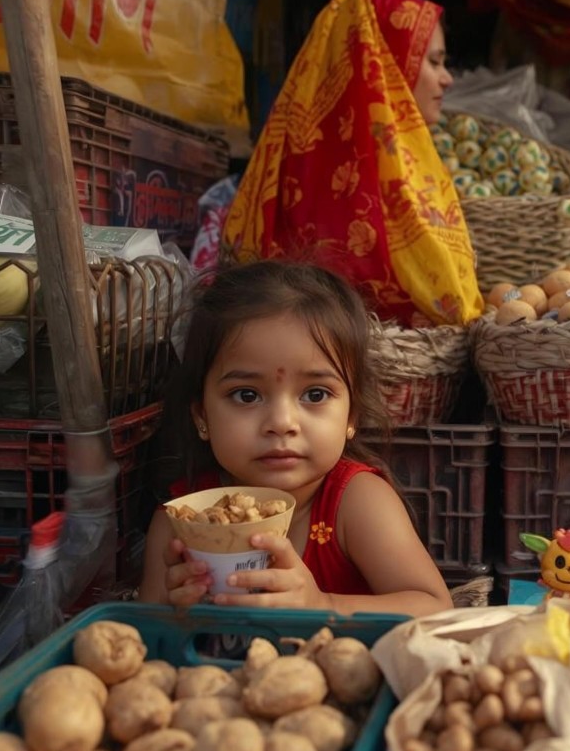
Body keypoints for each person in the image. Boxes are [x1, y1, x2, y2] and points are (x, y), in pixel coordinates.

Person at [139, 261, 453, 616]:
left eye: (315, 395)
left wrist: (323, 604)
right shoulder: (180, 523)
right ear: (201, 416)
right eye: (246, 395)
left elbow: (435, 608)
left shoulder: (356, 503)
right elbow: (145, 636)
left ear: (351, 417)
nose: (282, 423)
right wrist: (176, 609)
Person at [223, 0, 482, 328]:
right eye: (434, 61)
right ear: (385, 64)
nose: (447, 78)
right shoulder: (342, 182)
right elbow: (448, 307)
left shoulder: (402, 163)